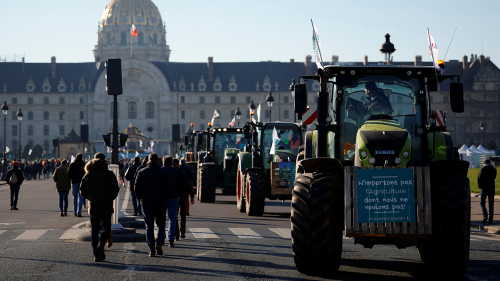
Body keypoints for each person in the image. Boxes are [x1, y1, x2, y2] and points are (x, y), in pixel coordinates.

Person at [80, 153, 120, 262]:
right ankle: (101, 243)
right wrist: (111, 197)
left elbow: (82, 191)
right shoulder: (109, 174)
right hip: (107, 204)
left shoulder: (88, 175)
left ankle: (96, 255)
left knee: (94, 230)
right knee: (107, 228)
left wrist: (91, 198)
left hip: (94, 206)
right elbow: (115, 189)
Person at [134, 153, 172, 257]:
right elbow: (169, 188)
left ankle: (151, 249)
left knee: (149, 227)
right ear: (158, 161)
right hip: (160, 202)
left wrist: (140, 200)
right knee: (160, 224)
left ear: (148, 161)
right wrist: (164, 197)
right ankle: (159, 243)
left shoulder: (141, 172)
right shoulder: (163, 172)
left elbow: (136, 189)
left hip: (146, 202)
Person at [162, 156, 183, 247]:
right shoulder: (177, 171)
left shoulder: (160, 171)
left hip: (162, 197)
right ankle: (171, 239)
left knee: (161, 219)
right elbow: (182, 184)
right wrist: (179, 194)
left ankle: (161, 237)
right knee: (172, 219)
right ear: (171, 163)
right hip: (174, 197)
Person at [174, 158, 195, 239]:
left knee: (174, 215)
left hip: (174, 196)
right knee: (182, 214)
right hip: (183, 195)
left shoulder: (169, 172)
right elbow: (189, 184)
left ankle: (176, 234)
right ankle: (182, 232)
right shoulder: (184, 172)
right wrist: (192, 196)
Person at [478, 159, 497, 224]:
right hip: (492, 188)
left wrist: (480, 186)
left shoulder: (482, 169)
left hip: (484, 188)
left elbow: (479, 178)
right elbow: (494, 177)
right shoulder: (494, 170)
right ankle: (491, 219)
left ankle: (485, 215)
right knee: (491, 204)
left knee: (482, 203)